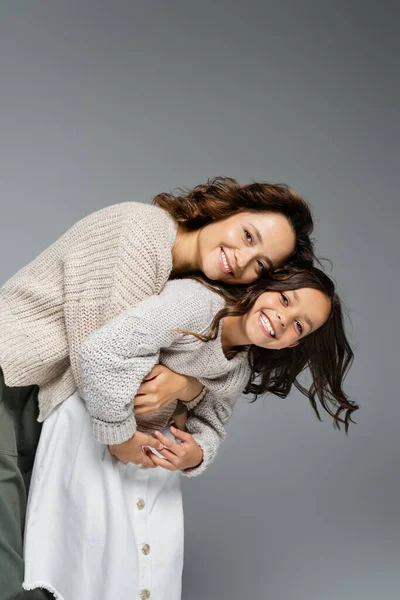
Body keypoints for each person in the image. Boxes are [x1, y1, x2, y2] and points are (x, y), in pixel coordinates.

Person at [0, 176, 315, 599]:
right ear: (227, 210)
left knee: (27, 560)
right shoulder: (142, 231)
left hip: (34, 399)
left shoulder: (184, 280)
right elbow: (107, 359)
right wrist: (123, 435)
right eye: (247, 235)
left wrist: (187, 387)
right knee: (9, 568)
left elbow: (156, 368)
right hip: (8, 376)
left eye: (260, 264)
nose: (242, 260)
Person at [22, 266, 358, 600]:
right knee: (84, 553)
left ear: (295, 342)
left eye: (299, 325)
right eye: (285, 299)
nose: (284, 319)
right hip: (95, 427)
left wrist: (196, 452)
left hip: (149, 458)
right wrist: (127, 431)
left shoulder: (238, 367)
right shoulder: (197, 303)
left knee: (144, 567)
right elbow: (108, 351)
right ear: (264, 286)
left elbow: (213, 423)